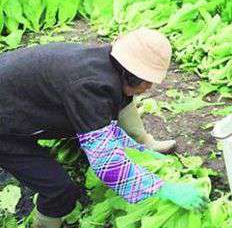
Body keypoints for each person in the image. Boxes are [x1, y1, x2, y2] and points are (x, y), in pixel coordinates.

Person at [0, 28, 207, 228]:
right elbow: (107, 163)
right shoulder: (90, 87)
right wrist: (163, 188)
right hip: (4, 126)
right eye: (149, 81)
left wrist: (141, 150)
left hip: (14, 96)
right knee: (59, 190)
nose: (150, 88)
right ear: (136, 76)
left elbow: (104, 126)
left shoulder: (106, 63)